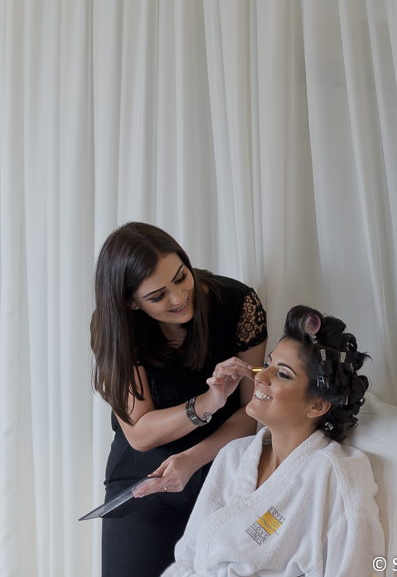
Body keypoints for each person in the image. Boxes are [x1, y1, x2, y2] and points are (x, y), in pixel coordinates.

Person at [91, 222, 268, 577]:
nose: (178, 298)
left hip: (222, 461)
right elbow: (140, 433)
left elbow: (251, 414)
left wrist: (191, 459)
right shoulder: (117, 327)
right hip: (145, 472)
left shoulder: (237, 304)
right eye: (157, 296)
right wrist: (206, 403)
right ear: (130, 302)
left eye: (181, 276)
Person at [160, 304, 385, 577]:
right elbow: (188, 557)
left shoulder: (335, 474)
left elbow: (356, 568)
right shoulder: (235, 454)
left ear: (316, 405)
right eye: (267, 364)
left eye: (282, 374)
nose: (260, 377)